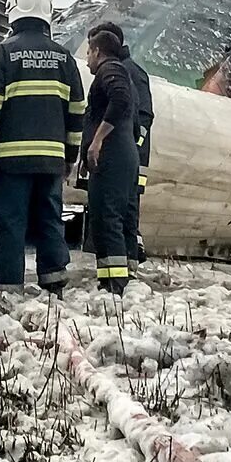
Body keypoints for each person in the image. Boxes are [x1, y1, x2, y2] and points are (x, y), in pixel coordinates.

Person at [0, 0, 84, 294]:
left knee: (11, 223)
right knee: (49, 219)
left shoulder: (2, 55)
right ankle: (54, 282)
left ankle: (9, 288)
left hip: (11, 162)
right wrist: (70, 157)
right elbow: (77, 113)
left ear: (12, 16)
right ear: (47, 16)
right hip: (51, 161)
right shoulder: (65, 60)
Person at [79, 27, 139, 296]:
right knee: (103, 217)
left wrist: (99, 139)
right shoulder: (113, 71)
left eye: (88, 52)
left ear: (98, 51)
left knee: (109, 217)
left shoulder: (110, 71)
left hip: (113, 156)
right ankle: (108, 281)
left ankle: (116, 285)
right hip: (116, 156)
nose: (87, 59)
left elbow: (120, 99)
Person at [92, 20, 153, 263]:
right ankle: (125, 267)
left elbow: (143, 116)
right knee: (116, 214)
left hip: (126, 157)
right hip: (121, 155)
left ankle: (125, 268)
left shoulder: (126, 72)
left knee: (122, 214)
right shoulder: (119, 69)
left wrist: (125, 145)